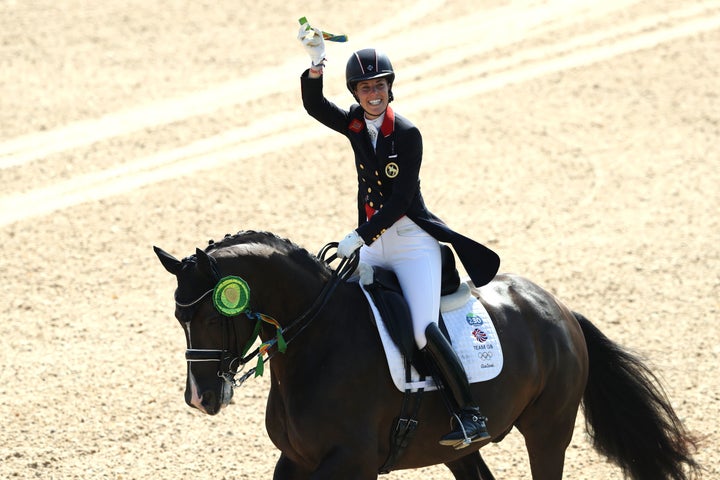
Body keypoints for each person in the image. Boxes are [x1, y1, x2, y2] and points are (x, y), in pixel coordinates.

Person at [297, 24, 500, 448]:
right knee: (349, 317)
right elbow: (315, 107)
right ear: (355, 93)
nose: (374, 93)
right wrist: (316, 64)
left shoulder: (406, 134)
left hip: (410, 244)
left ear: (390, 88)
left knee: (424, 330)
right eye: (366, 87)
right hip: (373, 244)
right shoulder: (354, 125)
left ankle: (470, 415)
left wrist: (360, 234)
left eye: (381, 86)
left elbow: (401, 201)